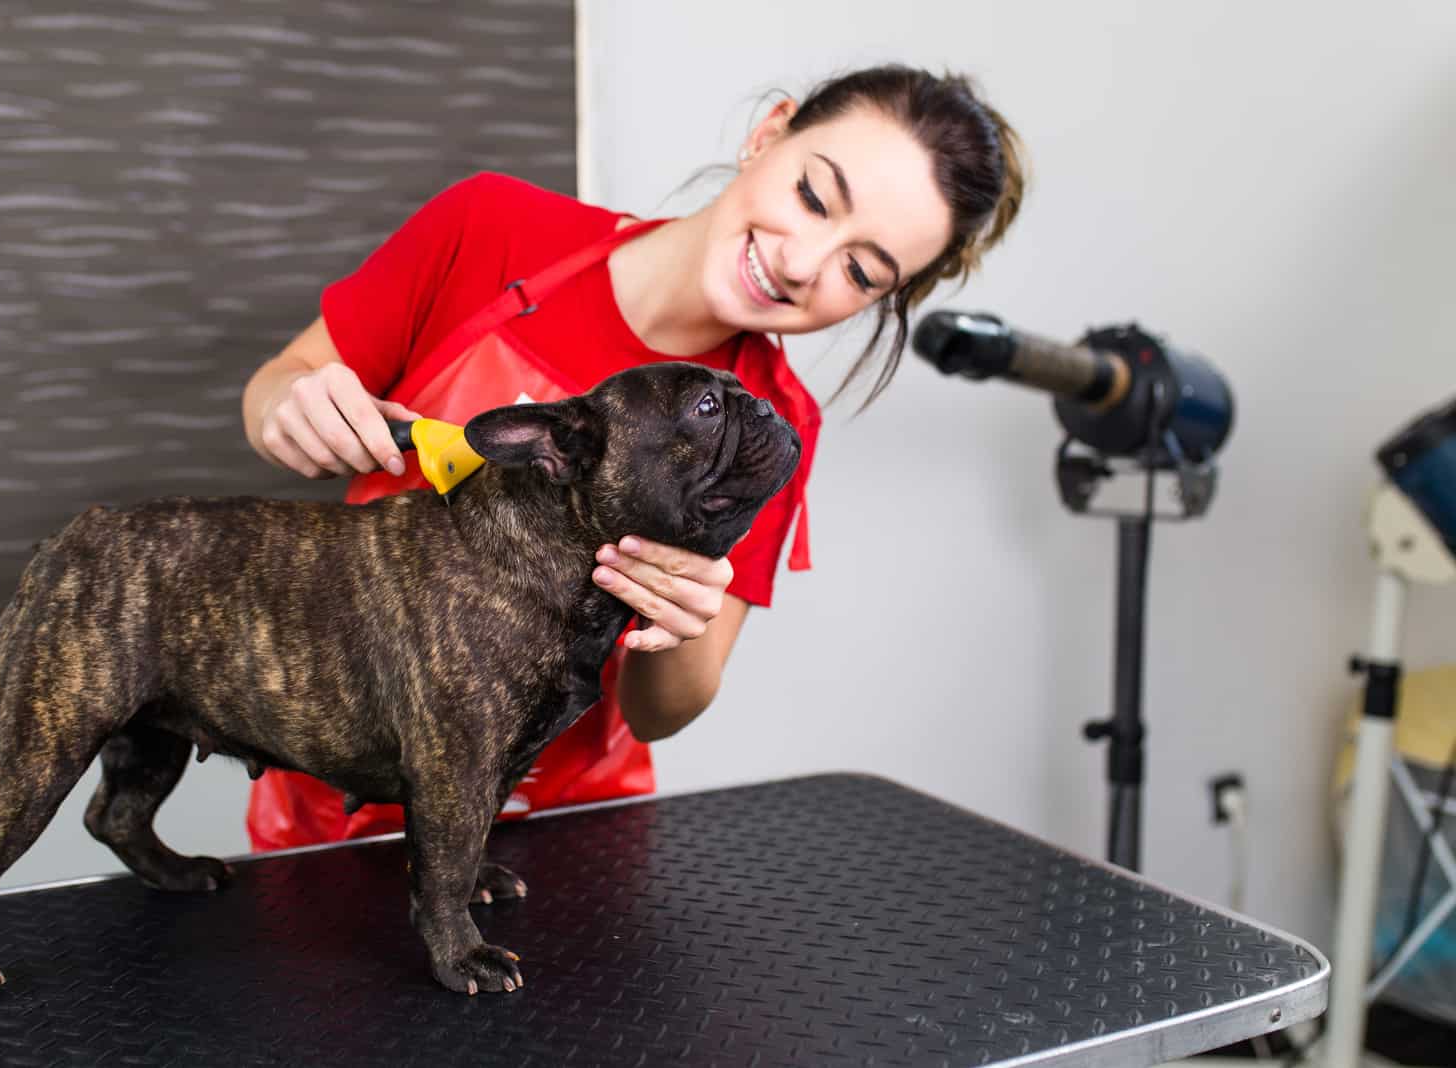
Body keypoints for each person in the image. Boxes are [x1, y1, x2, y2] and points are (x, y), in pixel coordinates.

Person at [238, 63, 1026, 851]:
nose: (801, 263)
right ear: (769, 134)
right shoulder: (493, 227)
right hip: (334, 790)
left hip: (559, 834)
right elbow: (277, 385)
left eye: (860, 270)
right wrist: (288, 407)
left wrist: (681, 619)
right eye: (814, 197)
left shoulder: (772, 427)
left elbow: (660, 713)